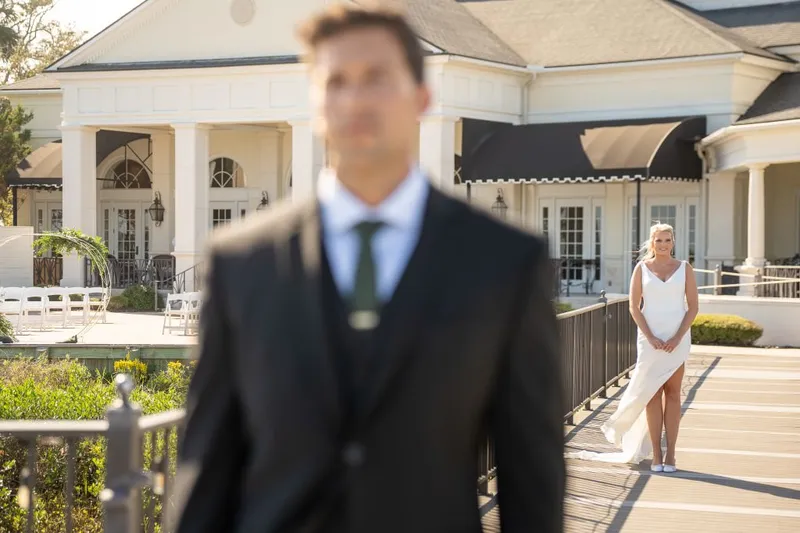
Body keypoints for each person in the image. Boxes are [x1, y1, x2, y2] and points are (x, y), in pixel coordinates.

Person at [171, 4, 564, 533]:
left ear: (422, 96)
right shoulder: (242, 262)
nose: (354, 99)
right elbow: (208, 465)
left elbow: (532, 476)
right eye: (336, 82)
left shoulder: (505, 263)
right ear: (315, 106)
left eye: (376, 78)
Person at [567, 222, 698, 473]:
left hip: (677, 339)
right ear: (651, 242)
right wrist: (650, 337)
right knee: (651, 394)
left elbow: (692, 306)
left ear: (673, 242)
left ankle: (671, 454)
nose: (662, 244)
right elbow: (634, 307)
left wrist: (677, 337)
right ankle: (656, 456)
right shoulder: (641, 268)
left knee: (673, 394)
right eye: (658, 240)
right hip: (650, 340)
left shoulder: (684, 269)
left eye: (667, 240)